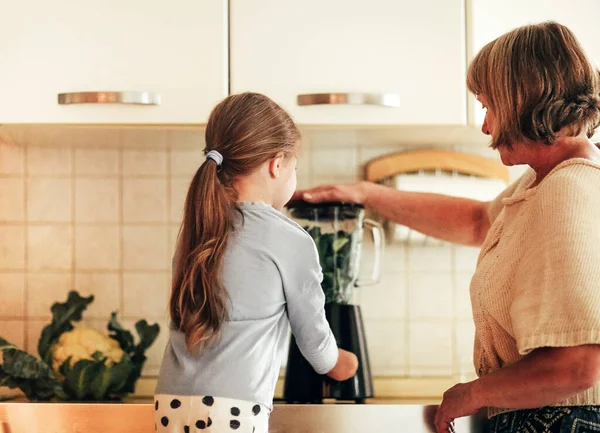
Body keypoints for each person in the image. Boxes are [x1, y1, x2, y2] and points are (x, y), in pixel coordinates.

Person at [295, 22, 600, 433]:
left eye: (488, 106)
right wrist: (366, 193)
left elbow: (577, 366)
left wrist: (473, 393)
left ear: (521, 100)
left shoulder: (570, 191)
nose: (486, 126)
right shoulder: (543, 182)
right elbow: (478, 221)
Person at [154, 92, 358, 433]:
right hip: (234, 410)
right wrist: (339, 363)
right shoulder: (290, 239)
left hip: (170, 404)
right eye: (294, 167)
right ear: (277, 164)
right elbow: (313, 339)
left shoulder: (197, 229)